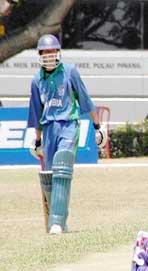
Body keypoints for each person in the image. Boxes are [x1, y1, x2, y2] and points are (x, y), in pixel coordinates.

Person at [28, 34, 106, 234]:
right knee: (50, 177)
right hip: (48, 129)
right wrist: (36, 140)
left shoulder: (70, 72)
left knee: (62, 165)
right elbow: (36, 112)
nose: (49, 55)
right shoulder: (37, 80)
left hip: (69, 124)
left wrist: (98, 127)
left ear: (58, 53)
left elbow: (85, 99)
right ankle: (60, 220)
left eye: (52, 51)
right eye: (45, 52)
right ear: (39, 54)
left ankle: (55, 222)